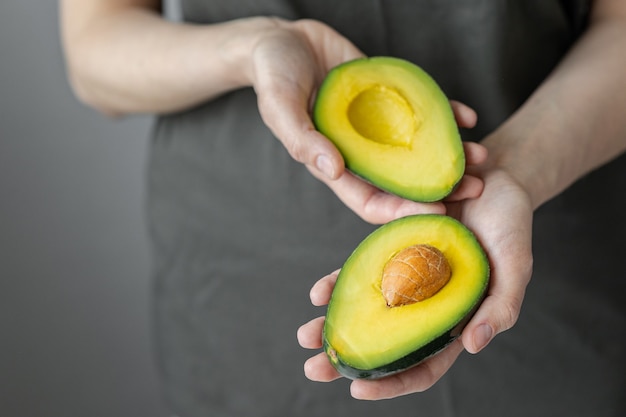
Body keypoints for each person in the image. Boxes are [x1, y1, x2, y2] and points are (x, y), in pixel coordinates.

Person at [59, 1, 626, 416]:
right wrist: (254, 47)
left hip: (552, 273)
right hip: (237, 290)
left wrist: (517, 168)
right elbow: (94, 50)